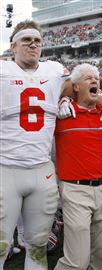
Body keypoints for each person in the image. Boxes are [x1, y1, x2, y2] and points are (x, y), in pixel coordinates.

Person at [0, 20, 66, 270]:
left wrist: (65, 99)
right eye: (26, 40)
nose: (33, 44)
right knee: (1, 245)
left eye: (37, 40)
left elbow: (77, 84)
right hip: (6, 168)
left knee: (38, 246)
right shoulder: (3, 71)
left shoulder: (54, 71)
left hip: (41, 171)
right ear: (13, 46)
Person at [54, 63, 102, 270]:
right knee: (77, 262)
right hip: (75, 190)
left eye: (96, 78)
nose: (94, 81)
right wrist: (62, 99)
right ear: (76, 86)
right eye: (88, 78)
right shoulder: (60, 115)